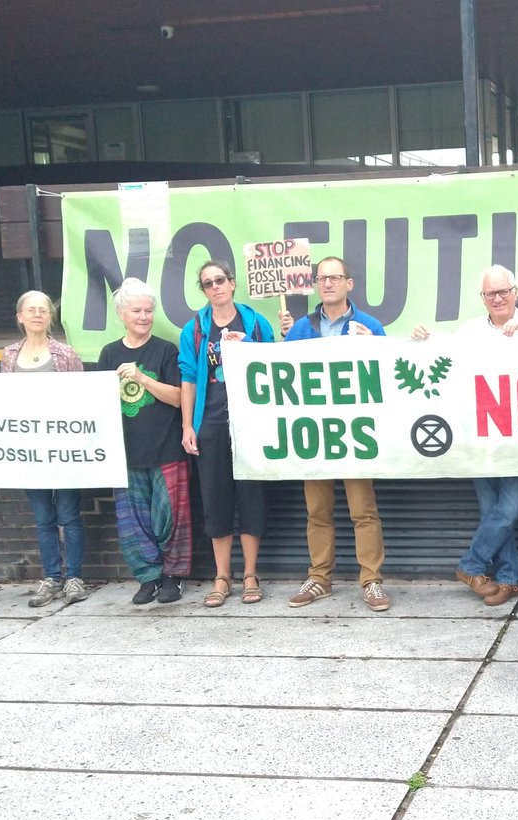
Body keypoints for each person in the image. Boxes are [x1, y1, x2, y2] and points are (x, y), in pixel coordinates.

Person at [412, 265, 518, 607]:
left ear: (516, 292)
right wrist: (424, 341)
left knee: (511, 507)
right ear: (482, 298)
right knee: (492, 510)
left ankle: (470, 565)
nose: (498, 298)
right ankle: (508, 579)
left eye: (503, 292)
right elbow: (446, 358)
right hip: (479, 434)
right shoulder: (469, 331)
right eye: (490, 294)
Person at [0, 291, 86, 608]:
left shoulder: (66, 354)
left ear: (50, 317)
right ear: (20, 317)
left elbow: (82, 399)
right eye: (31, 310)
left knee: (69, 514)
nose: (37, 314)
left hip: (62, 448)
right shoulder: (9, 355)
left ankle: (75, 577)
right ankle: (52, 577)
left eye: (43, 310)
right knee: (43, 517)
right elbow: (1, 398)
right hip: (28, 451)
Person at [278, 256, 390, 612]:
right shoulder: (301, 328)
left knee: (363, 510)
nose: (328, 283)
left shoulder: (368, 325)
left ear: (349, 283)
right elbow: (280, 375)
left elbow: (386, 372)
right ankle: (319, 578)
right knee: (317, 511)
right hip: (315, 435)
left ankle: (371, 581)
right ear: (316, 284)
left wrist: (374, 344)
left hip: (354, 434)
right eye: (322, 278)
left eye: (335, 277)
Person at [179, 260, 274, 608]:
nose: (215, 286)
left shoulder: (255, 322)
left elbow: (274, 367)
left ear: (232, 284)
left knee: (251, 496)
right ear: (203, 291)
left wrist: (245, 346)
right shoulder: (194, 329)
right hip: (212, 421)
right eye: (208, 283)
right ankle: (223, 576)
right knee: (215, 498)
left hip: (250, 422)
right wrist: (189, 425)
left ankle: (250, 573)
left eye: (220, 280)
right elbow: (188, 377)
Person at [97, 278, 192, 604]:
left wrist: (142, 378)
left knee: (170, 517)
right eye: (136, 310)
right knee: (134, 519)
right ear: (122, 314)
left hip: (165, 448)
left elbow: (178, 397)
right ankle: (148, 577)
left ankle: (173, 576)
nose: (143, 316)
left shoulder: (166, 350)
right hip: (126, 451)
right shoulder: (109, 353)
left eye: (148, 311)